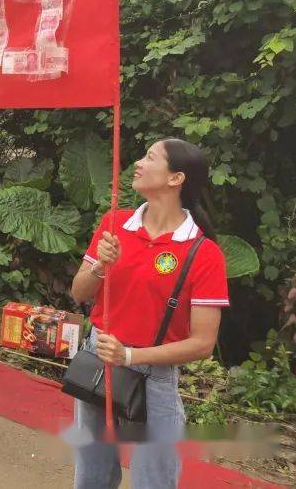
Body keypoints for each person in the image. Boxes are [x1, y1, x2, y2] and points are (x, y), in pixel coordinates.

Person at [68, 139, 229, 488]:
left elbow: (203, 343)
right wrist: (100, 268)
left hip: (153, 374)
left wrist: (130, 355)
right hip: (98, 361)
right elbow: (79, 292)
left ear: (176, 179)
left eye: (150, 157)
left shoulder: (204, 252)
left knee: (154, 478)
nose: (138, 163)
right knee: (91, 474)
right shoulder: (116, 223)